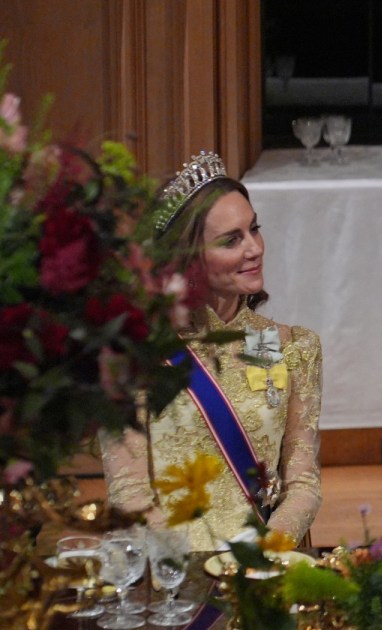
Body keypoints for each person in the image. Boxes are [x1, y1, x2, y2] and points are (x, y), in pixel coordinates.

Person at [101, 151, 323, 550]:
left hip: (264, 565)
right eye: (231, 240)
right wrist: (191, 569)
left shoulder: (292, 347)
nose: (254, 248)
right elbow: (129, 495)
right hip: (172, 570)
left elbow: (303, 484)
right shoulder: (131, 357)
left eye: (254, 229)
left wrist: (263, 554)